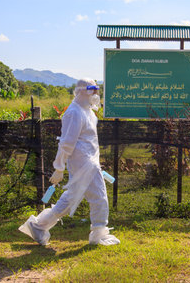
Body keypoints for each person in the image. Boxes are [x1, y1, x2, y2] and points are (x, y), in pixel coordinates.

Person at [19, 78, 120, 246]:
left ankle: (38, 226)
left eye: (96, 90)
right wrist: (59, 167)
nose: (95, 94)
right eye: (91, 90)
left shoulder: (88, 112)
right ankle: (99, 233)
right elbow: (66, 142)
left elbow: (89, 140)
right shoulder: (74, 113)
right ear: (81, 91)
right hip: (83, 162)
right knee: (99, 197)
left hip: (89, 161)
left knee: (71, 199)